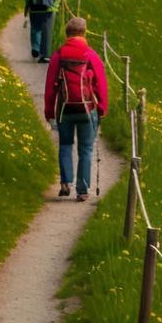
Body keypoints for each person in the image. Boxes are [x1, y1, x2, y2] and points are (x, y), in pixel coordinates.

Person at [44, 16, 107, 201]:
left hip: (64, 109)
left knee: (65, 144)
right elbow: (101, 85)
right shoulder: (91, 55)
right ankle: (83, 190)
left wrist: (49, 111)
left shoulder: (58, 55)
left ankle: (65, 183)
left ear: (67, 34)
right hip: (87, 109)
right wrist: (101, 108)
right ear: (84, 33)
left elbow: (50, 86)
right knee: (86, 149)